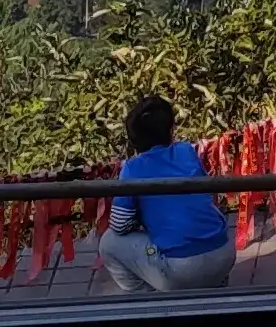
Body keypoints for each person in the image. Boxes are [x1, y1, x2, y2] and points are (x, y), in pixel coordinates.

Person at [75, 93, 239, 297]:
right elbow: (207, 195)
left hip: (182, 270)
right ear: (171, 130)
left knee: (109, 242)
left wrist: (141, 216)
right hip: (224, 255)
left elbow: (119, 225)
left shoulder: (132, 169)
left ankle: (149, 301)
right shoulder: (186, 151)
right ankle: (213, 290)